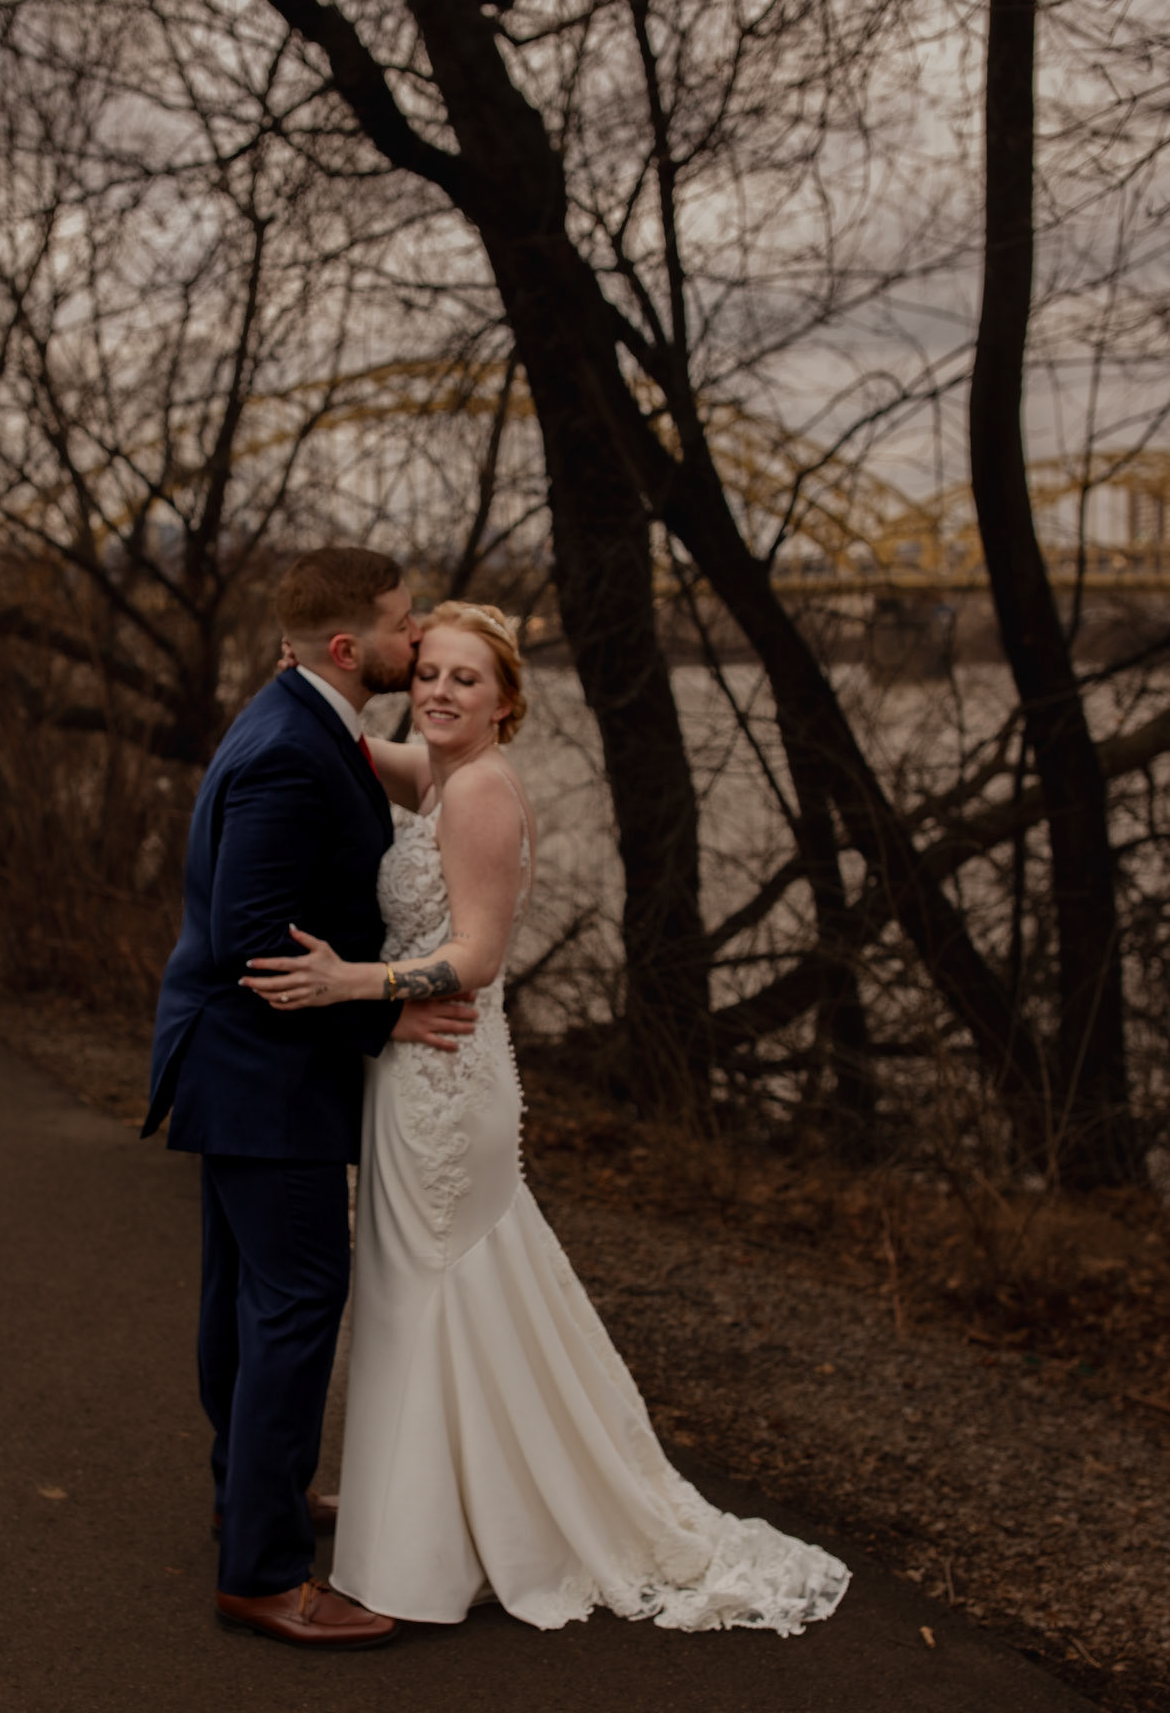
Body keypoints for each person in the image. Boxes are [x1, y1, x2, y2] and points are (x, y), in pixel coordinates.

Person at [244, 601, 851, 1635]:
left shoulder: (481, 790)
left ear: (506, 702)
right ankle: (439, 1516)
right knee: (416, 1299)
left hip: (446, 1079)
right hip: (414, 1075)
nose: (439, 691)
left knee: (430, 1299)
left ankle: (421, 1553)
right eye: (428, 672)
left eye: (465, 679)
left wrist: (353, 982)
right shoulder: (437, 769)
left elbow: (476, 958)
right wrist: (300, 669)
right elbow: (345, 739)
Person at [143, 548, 477, 1651]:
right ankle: (263, 1573)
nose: (416, 634)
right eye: (402, 621)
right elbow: (254, 940)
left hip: (239, 1064)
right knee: (294, 1301)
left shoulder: (300, 717)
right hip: (260, 1073)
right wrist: (381, 1014)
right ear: (348, 646)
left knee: (244, 1296)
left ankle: (252, 1494)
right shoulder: (291, 750)